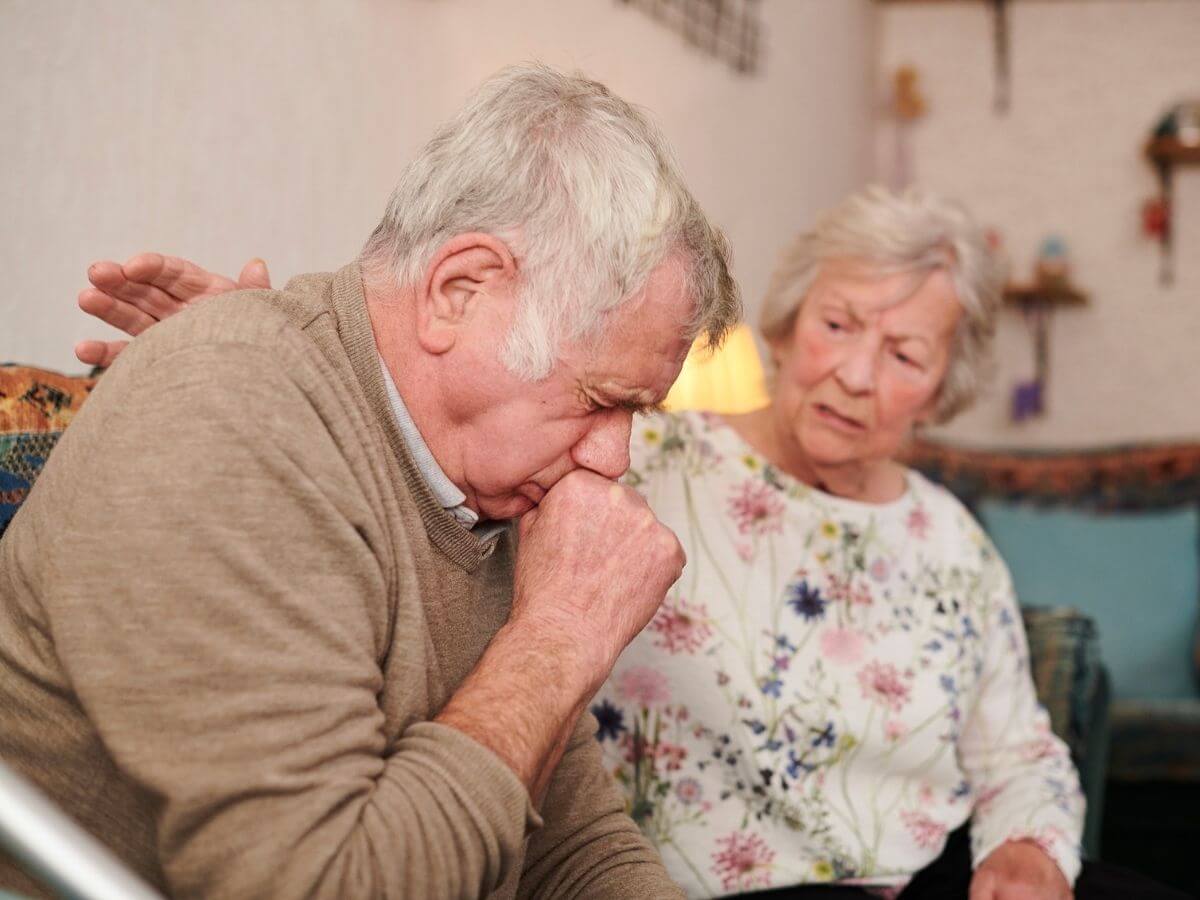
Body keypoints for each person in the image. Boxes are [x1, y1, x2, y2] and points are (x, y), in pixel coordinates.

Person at [0, 63, 741, 899]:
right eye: (602, 401)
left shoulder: (479, 489)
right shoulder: (231, 406)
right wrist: (559, 636)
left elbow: (573, 847)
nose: (615, 459)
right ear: (459, 291)